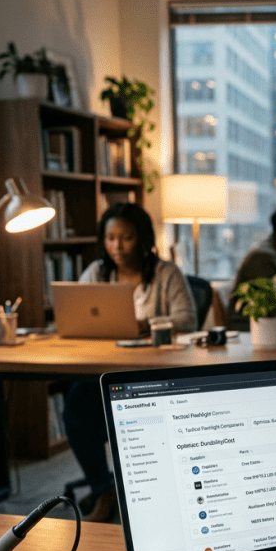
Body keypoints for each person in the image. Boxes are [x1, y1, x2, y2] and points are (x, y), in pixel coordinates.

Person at [63, 202, 196, 523]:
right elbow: (77, 310)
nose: (117, 247)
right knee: (77, 405)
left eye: (126, 238)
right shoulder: (97, 272)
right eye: (110, 238)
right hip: (103, 371)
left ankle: (151, 494)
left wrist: (143, 324)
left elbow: (187, 320)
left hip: (153, 375)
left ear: (144, 238)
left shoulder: (166, 273)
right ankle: (103, 489)